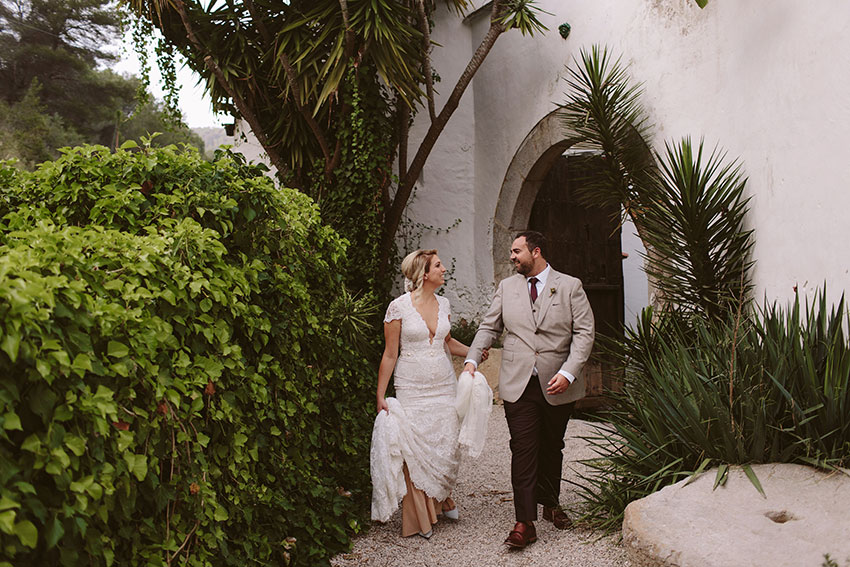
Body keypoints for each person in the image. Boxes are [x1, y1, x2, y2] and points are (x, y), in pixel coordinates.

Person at [464, 230, 594, 549]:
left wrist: (569, 371)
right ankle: (524, 522)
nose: (512, 256)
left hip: (557, 382)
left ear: (535, 252)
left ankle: (550, 503)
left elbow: (585, 333)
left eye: (516, 251)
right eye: (511, 251)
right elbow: (489, 326)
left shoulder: (569, 286)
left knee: (552, 446)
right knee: (522, 448)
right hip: (517, 381)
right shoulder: (507, 287)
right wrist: (471, 360)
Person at [372, 249, 484, 539]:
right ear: (424, 274)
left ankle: (442, 497)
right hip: (412, 388)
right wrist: (380, 395)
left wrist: (474, 352)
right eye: (438, 265)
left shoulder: (444, 303)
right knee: (415, 448)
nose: (444, 269)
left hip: (444, 385)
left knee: (444, 446)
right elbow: (390, 354)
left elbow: (446, 341)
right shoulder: (398, 308)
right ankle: (420, 517)